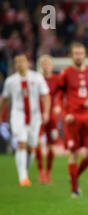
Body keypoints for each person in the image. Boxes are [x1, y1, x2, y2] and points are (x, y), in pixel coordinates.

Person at [0, 54, 50, 186]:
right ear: (15, 65)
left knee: (31, 147)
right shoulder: (10, 81)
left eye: (22, 61)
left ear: (28, 63)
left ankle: (25, 171)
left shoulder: (37, 77)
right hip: (18, 115)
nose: (20, 64)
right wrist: (0, 116)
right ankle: (22, 177)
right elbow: (4, 100)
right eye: (17, 62)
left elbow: (46, 95)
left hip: (35, 116)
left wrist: (46, 112)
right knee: (21, 143)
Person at [58, 42, 88, 197]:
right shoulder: (65, 73)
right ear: (71, 55)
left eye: (81, 53)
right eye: (75, 53)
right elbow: (60, 96)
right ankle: (74, 189)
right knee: (74, 153)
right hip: (72, 119)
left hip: (87, 118)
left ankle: (74, 176)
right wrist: (64, 113)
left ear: (85, 55)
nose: (78, 56)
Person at [35, 55, 62, 184]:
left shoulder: (57, 79)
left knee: (51, 146)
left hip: (52, 117)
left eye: (48, 64)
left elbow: (61, 95)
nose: (46, 66)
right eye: (43, 64)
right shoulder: (36, 80)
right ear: (41, 66)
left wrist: (58, 106)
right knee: (38, 143)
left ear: (52, 66)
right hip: (37, 116)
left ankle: (48, 172)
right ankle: (41, 172)